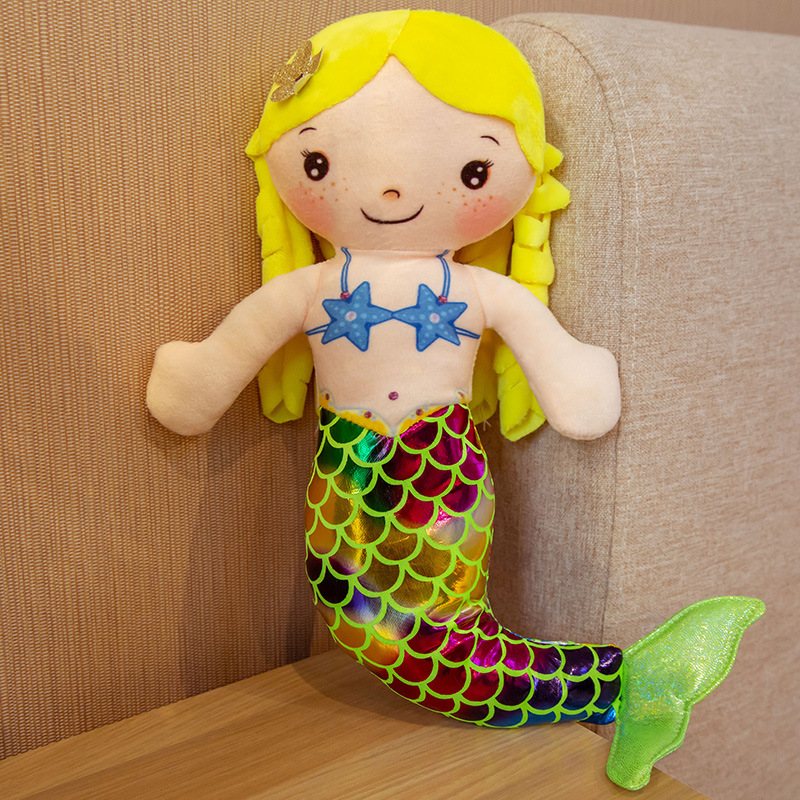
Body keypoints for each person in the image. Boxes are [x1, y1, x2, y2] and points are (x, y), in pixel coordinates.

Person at [147, 11, 763, 790]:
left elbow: (574, 390)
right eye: (322, 159)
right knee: (354, 610)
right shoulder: (312, 289)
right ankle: (625, 682)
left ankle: (618, 683)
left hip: (438, 469)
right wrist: (200, 377)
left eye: (473, 171)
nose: (392, 190)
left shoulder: (476, 290)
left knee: (422, 633)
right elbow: (220, 365)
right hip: (346, 471)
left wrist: (575, 375)